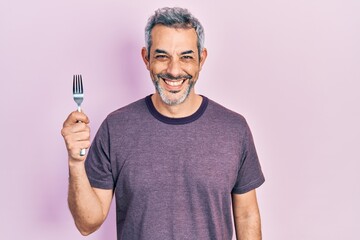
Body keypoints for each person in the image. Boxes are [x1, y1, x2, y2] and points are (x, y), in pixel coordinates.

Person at [61, 7, 265, 240]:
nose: (174, 70)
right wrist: (75, 163)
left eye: (186, 57)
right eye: (162, 56)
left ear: (202, 59)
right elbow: (87, 224)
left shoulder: (234, 129)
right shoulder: (116, 128)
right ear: (146, 58)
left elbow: (247, 214)